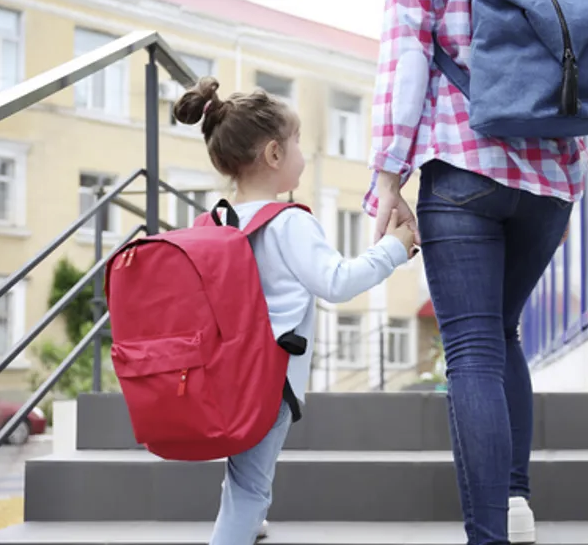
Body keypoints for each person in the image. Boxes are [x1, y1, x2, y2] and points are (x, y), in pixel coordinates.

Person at [363, 1, 587, 544]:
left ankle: (490, 537)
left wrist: (389, 175)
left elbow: (406, 55)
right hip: (551, 174)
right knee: (502, 332)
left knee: (473, 351)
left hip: (464, 159)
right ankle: (515, 501)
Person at [174, 77, 417, 545]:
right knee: (249, 488)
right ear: (273, 154)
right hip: (268, 380)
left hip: (223, 374)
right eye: (298, 140)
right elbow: (337, 282)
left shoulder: (214, 221)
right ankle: (238, 529)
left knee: (243, 476)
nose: (304, 151)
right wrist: (393, 248)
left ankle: (247, 523)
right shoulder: (290, 222)